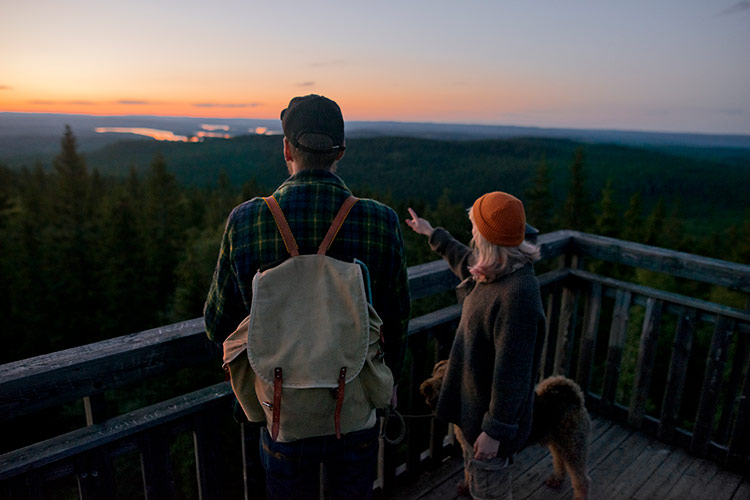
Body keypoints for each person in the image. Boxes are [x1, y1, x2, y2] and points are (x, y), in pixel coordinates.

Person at [204, 94, 410, 499]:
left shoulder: (247, 220)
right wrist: (389, 384)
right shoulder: (381, 221)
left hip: (282, 413)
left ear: (286, 149)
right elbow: (397, 322)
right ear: (341, 152)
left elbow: (217, 324)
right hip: (354, 410)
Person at [406, 192, 546, 500]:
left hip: (490, 424)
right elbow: (466, 261)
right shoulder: (499, 269)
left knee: (490, 492)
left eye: (475, 227)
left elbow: (513, 374)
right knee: (475, 476)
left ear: (488, 238)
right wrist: (432, 233)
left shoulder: (517, 295)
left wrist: (495, 431)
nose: (471, 233)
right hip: (473, 408)